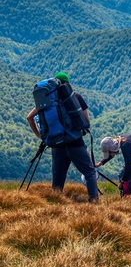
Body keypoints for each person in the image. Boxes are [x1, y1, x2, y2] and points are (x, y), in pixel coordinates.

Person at [26, 72, 99, 202]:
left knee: (58, 180)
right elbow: (86, 122)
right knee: (89, 172)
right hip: (75, 142)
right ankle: (94, 202)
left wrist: (41, 136)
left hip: (56, 144)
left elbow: (29, 118)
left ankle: (55, 204)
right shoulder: (75, 97)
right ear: (67, 83)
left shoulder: (46, 101)